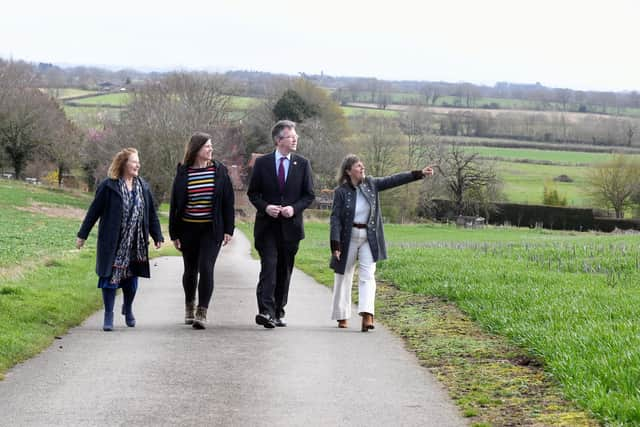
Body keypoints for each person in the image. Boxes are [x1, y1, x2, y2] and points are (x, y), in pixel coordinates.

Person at [329, 154, 434, 332]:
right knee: (343, 276)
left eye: (363, 165)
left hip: (369, 237)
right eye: (358, 166)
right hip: (348, 238)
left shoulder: (371, 184)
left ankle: (367, 314)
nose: (362, 168)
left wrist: (419, 174)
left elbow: (394, 180)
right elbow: (335, 219)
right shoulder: (341, 192)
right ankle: (342, 315)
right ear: (348, 171)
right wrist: (336, 244)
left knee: (368, 275)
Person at [77, 148, 164, 331]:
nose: (137, 165)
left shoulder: (143, 187)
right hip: (112, 243)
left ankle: (128, 307)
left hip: (136, 243)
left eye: (138, 161)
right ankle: (108, 314)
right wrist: (82, 235)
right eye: (134, 161)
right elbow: (94, 211)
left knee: (131, 281)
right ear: (123, 164)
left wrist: (157, 236)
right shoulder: (109, 186)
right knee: (110, 279)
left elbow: (151, 215)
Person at [247, 120, 315, 328]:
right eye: (290, 136)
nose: (295, 139)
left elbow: (309, 195)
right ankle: (265, 311)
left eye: (296, 136)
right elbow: (253, 193)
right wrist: (266, 207)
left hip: (291, 228)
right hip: (267, 226)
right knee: (269, 266)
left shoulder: (302, 164)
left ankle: (278, 310)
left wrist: (294, 208)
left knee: (284, 270)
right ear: (278, 140)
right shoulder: (262, 163)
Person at [169, 132, 235, 329]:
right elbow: (175, 205)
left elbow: (228, 202)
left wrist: (228, 229)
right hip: (188, 228)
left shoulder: (219, 171)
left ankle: (202, 311)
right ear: (196, 149)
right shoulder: (183, 173)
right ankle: (190, 304)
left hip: (211, 229)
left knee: (206, 268)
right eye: (207, 146)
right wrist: (174, 233)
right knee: (190, 271)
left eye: (211, 146)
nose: (211, 149)